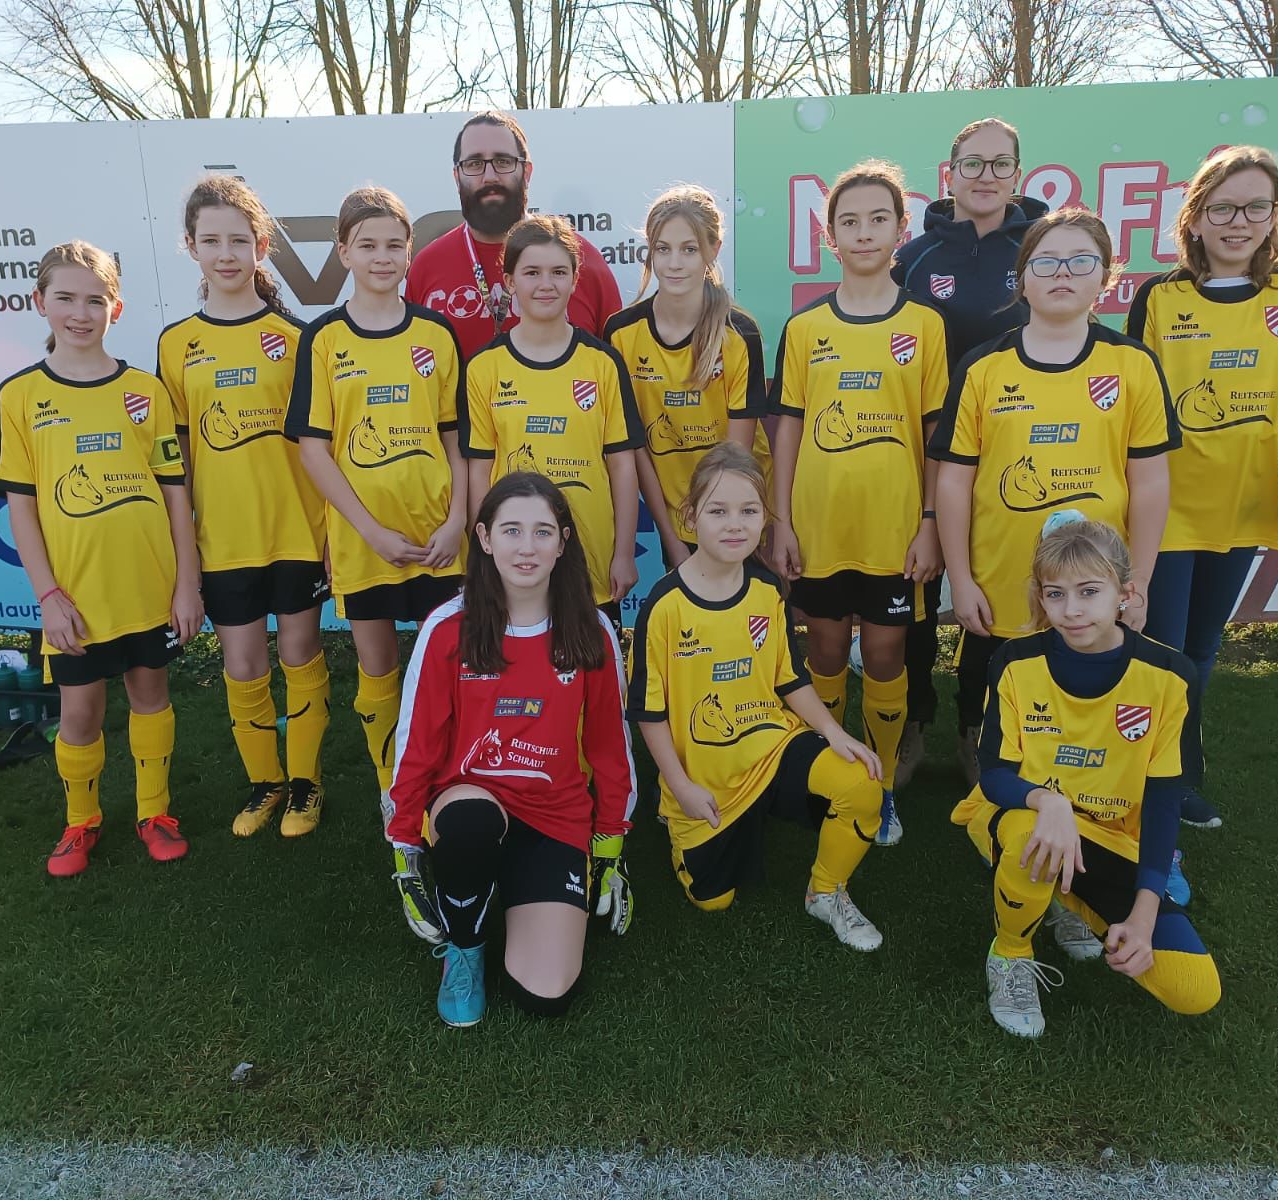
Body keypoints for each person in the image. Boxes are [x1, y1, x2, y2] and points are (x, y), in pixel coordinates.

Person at [0, 241, 201, 876]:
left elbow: (175, 492)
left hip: (149, 584)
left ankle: (155, 812)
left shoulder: (144, 391)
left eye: (96, 300)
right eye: (67, 298)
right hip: (76, 595)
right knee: (80, 711)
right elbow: (21, 508)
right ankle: (81, 820)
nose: (81, 313)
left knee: (150, 693)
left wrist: (187, 584)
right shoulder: (21, 395)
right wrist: (48, 596)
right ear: (40, 302)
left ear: (116, 309)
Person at [952, 514, 1221, 1038]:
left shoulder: (1170, 675)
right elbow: (995, 775)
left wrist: (1144, 912)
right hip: (1022, 818)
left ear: (1125, 593)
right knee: (1031, 836)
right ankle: (1010, 954)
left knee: (1194, 989)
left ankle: (1064, 896)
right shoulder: (1014, 661)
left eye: (1089, 591)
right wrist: (1048, 802)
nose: (1071, 610)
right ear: (1040, 596)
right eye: (1055, 594)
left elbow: (1164, 799)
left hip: (1111, 837)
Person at [928, 208, 1177, 776]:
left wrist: (1138, 581)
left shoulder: (1133, 364)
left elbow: (1150, 481)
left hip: (1096, 577)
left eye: (1080, 261)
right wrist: (960, 580)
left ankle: (1079, 774)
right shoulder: (983, 367)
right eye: (1046, 262)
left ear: (1105, 277)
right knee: (991, 673)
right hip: (999, 572)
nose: (1062, 272)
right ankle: (981, 749)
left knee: (1085, 679)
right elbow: (954, 480)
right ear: (1022, 278)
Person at [1126, 144, 1278, 831]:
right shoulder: (1160, 295)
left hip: (1243, 500)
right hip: (1164, 503)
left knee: (1202, 647)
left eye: (1254, 208)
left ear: (1276, 214)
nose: (1238, 222)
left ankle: (1179, 769)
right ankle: (1150, 771)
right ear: (1195, 216)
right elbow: (1134, 400)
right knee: (1161, 645)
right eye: (1222, 208)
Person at [386, 472, 636, 1027]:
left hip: (554, 813)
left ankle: (510, 885)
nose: (527, 548)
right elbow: (417, 744)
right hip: (471, 800)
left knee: (546, 994)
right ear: (484, 537)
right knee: (471, 826)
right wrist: (405, 845)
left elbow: (609, 746)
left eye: (543, 532)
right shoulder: (447, 628)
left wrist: (611, 841)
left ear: (563, 542)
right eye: (512, 530)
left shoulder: (591, 631)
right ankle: (464, 947)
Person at [630, 443, 888, 950]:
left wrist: (834, 732)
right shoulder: (663, 605)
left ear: (764, 518)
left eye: (748, 511)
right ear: (690, 517)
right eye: (718, 511)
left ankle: (826, 892)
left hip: (769, 748)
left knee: (861, 784)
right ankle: (680, 821)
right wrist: (679, 784)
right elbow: (648, 711)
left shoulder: (767, 589)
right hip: (704, 776)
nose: (735, 525)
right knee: (713, 901)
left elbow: (788, 679)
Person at [770, 160, 948, 844]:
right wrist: (781, 520)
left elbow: (936, 437)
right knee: (822, 651)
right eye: (849, 221)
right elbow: (787, 429)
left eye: (878, 219)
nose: (864, 232)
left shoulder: (924, 326)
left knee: (883, 655)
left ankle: (881, 785)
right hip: (818, 525)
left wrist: (929, 522)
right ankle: (832, 775)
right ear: (830, 237)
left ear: (901, 230)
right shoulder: (806, 327)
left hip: (894, 529)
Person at [286, 186, 467, 833]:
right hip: (366, 542)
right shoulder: (324, 338)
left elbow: (457, 439)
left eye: (394, 244)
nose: (381, 257)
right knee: (377, 664)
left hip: (439, 536)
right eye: (367, 245)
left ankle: (452, 779)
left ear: (410, 251)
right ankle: (395, 789)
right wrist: (369, 531)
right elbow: (314, 449)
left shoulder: (436, 334)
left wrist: (457, 520)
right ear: (343, 252)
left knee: (450, 663)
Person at [157, 175, 330, 839]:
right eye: (211, 241)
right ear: (191, 247)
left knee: (300, 653)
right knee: (243, 665)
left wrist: (330, 534)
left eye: (238, 240)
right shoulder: (176, 343)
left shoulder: (297, 337)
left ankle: (306, 784)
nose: (225, 254)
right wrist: (185, 556)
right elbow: (177, 462)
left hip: (297, 529)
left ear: (261, 247)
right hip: (224, 538)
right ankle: (266, 784)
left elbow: (320, 448)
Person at [892, 116, 1049, 788]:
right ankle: (913, 725)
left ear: (1018, 174)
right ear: (949, 173)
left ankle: (974, 729)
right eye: (973, 163)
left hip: (1013, 454)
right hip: (925, 458)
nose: (987, 176)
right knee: (918, 600)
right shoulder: (913, 258)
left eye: (1000, 164)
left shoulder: (1043, 248)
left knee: (997, 603)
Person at [461, 215, 643, 626]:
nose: (546, 284)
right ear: (509, 281)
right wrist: (482, 552)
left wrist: (623, 553)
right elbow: (479, 471)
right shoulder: (484, 368)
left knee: (590, 659)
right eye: (532, 272)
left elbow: (621, 465)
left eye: (559, 272)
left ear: (575, 280)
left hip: (591, 554)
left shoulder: (603, 363)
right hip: (513, 558)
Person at [603, 184, 773, 568]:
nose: (674, 263)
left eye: (689, 249)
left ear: (713, 250)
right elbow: (636, 447)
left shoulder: (739, 334)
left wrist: (719, 530)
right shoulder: (621, 334)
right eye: (663, 249)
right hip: (674, 517)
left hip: (735, 512)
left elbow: (737, 459)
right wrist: (672, 540)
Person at [406, 110, 622, 361]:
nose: (489, 177)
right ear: (457, 177)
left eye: (503, 161)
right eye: (474, 163)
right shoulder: (427, 267)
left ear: (526, 172)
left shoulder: (581, 259)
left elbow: (616, 367)